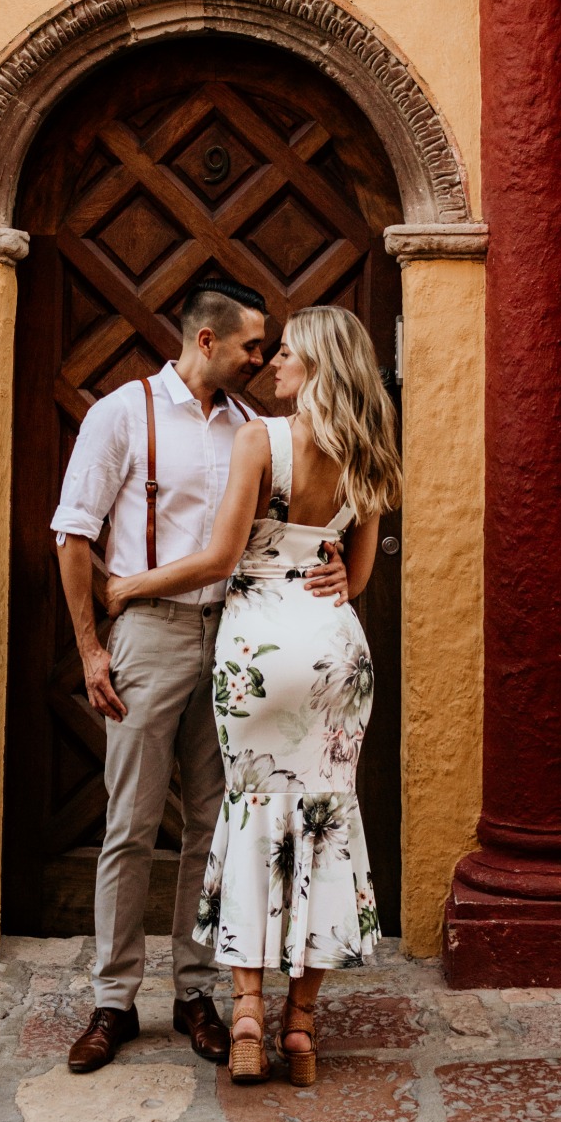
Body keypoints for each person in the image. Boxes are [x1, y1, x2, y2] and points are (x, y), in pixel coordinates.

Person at [52, 278, 351, 1075]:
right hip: (150, 634)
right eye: (254, 344)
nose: (264, 356)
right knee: (130, 820)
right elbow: (73, 534)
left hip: (238, 642)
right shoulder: (123, 413)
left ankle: (194, 991)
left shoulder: (257, 426)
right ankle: (113, 999)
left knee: (214, 826)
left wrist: (340, 576)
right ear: (208, 340)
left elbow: (302, 532)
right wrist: (91, 648)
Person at [106, 304, 402, 1087]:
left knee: (248, 818)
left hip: (260, 651)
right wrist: (330, 569)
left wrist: (129, 585)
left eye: (289, 356)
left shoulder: (258, 440)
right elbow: (359, 577)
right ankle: (300, 1027)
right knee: (328, 823)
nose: (274, 367)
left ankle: (244, 1016)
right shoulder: (369, 453)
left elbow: (219, 556)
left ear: (317, 366)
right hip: (334, 646)